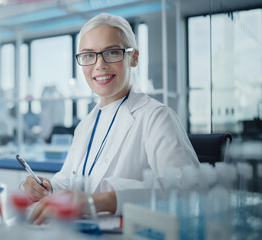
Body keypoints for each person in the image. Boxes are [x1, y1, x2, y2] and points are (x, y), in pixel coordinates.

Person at [22, 13, 200, 224]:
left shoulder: (156, 117)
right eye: (89, 55)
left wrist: (100, 201)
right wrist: (46, 187)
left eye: (112, 52)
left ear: (133, 57)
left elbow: (188, 189)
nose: (99, 65)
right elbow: (70, 179)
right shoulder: (86, 124)